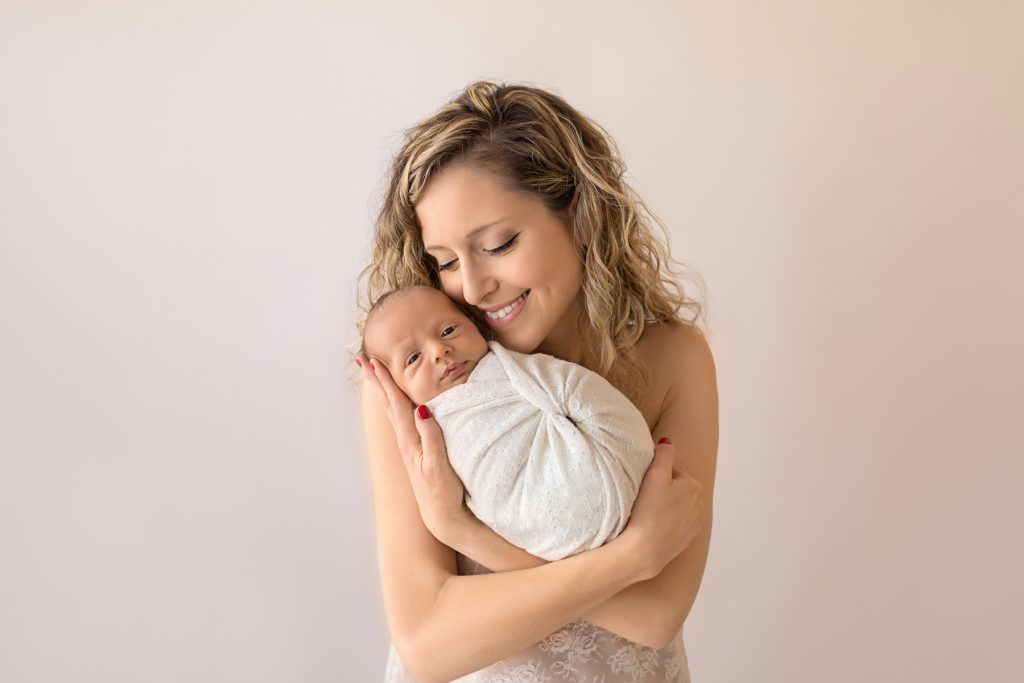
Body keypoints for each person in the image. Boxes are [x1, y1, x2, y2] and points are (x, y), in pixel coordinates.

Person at [355, 81, 718, 682]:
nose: (471, 289)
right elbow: (426, 642)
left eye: (498, 244)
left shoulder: (674, 360)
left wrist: (462, 529)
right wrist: (633, 556)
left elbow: (656, 615)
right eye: (445, 262)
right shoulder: (412, 385)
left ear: (579, 214)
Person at [360, 284, 655, 562]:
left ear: (474, 324)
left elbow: (572, 386)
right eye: (413, 358)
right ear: (394, 386)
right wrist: (449, 521)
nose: (439, 351)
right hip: (538, 520)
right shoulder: (421, 437)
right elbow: (415, 617)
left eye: (449, 330)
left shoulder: (507, 367)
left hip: (601, 473)